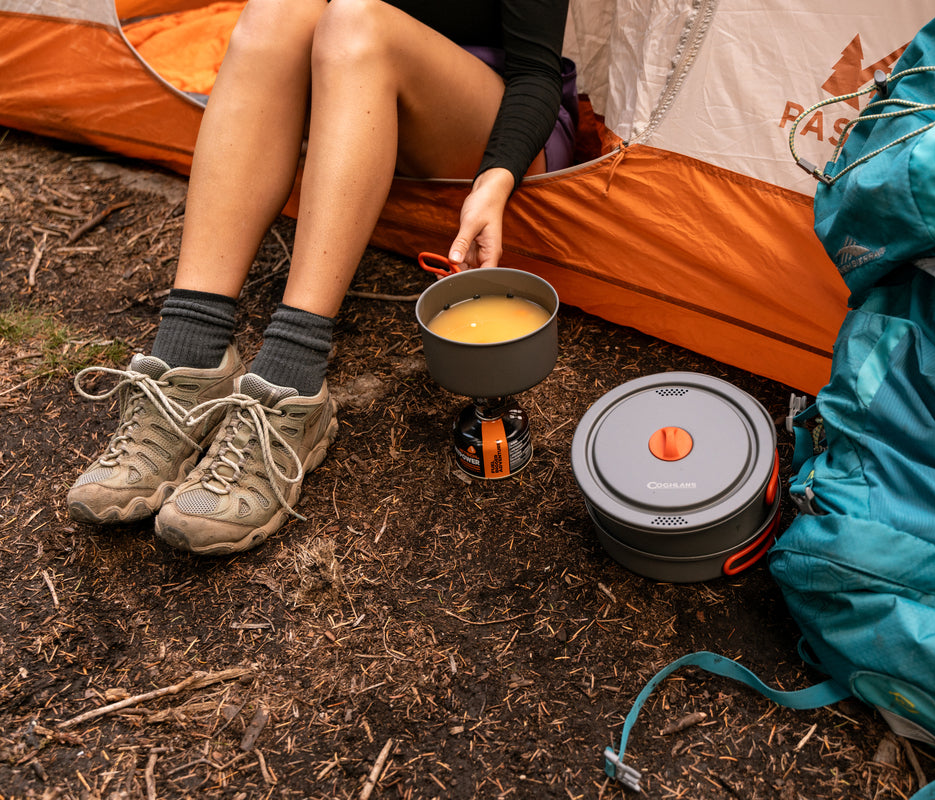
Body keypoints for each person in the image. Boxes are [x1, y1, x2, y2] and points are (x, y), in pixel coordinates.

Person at [66, 0, 575, 555]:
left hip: (494, 127)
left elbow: (535, 73)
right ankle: (190, 354)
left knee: (358, 19)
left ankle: (293, 377)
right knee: (278, 9)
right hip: (356, 99)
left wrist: (495, 180)